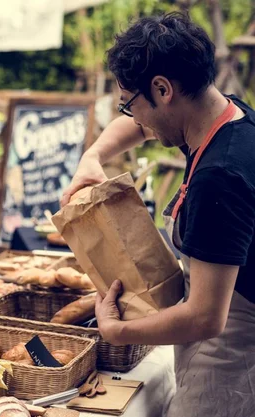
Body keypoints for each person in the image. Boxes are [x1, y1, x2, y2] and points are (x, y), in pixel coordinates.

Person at [61, 13, 255, 416]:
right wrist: (93, 156)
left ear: (163, 89)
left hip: (234, 361)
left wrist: (117, 331)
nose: (135, 120)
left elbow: (205, 317)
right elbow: (135, 129)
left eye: (131, 104)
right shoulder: (224, 116)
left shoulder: (220, 177)